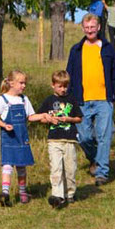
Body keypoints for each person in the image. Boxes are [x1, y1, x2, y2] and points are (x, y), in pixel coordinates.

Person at [0, 70, 57, 207]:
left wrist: (43, 115)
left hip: (21, 137)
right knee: (7, 164)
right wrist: (4, 125)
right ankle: (5, 192)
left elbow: (30, 117)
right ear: (11, 83)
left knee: (21, 166)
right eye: (21, 83)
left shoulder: (24, 99)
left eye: (25, 83)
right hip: (9, 138)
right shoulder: (2, 100)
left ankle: (22, 192)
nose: (24, 86)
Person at [66, 13, 115, 186]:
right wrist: (69, 98)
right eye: (86, 27)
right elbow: (69, 75)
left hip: (103, 99)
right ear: (83, 28)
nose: (90, 30)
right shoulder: (76, 50)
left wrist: (112, 97)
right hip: (81, 100)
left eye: (92, 27)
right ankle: (95, 158)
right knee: (84, 137)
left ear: (98, 27)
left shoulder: (108, 48)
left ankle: (102, 172)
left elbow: (113, 75)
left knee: (104, 136)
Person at [36, 70, 83, 209]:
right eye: (60, 86)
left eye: (65, 86)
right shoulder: (48, 101)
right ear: (53, 85)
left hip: (69, 140)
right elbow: (40, 117)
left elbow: (79, 118)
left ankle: (70, 193)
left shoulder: (72, 100)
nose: (63, 89)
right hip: (54, 140)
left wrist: (67, 119)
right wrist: (48, 119)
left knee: (70, 169)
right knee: (56, 169)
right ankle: (58, 196)